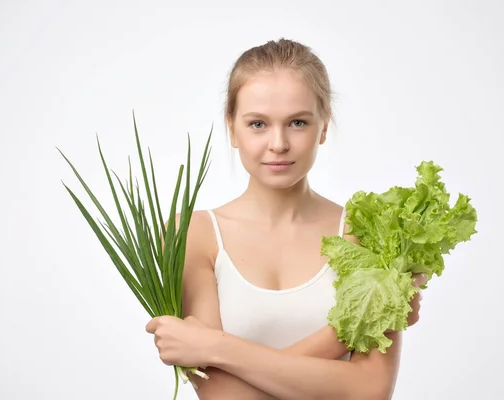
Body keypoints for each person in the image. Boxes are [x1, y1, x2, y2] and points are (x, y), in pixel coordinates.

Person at [145, 38, 427, 400]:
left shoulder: (368, 234)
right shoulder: (193, 235)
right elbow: (224, 398)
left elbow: (370, 391)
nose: (278, 143)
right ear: (232, 128)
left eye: (297, 122)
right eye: (258, 124)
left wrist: (215, 347)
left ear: (323, 126)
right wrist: (345, 333)